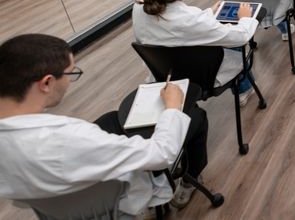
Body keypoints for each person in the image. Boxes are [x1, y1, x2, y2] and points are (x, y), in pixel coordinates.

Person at [0, 34, 209, 214]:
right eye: (71, 73)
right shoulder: (71, 138)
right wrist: (172, 107)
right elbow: (161, 154)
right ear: (46, 82)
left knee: (110, 119)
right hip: (116, 203)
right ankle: (183, 184)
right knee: (196, 118)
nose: (69, 82)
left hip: (59, 209)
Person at [133, 0, 261, 107]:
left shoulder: (139, 8)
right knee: (235, 46)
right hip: (201, 78)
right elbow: (241, 37)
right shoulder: (192, 20)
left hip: (164, 73)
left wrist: (207, 13)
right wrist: (244, 18)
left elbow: (184, 27)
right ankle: (244, 88)